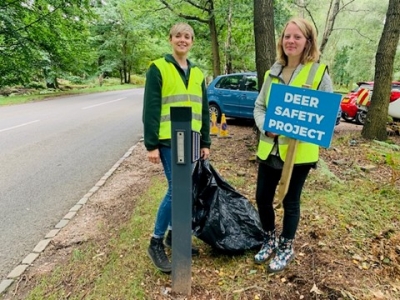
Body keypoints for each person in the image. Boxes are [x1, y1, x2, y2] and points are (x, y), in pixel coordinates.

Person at [253, 17, 334, 273]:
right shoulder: (272, 71)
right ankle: (269, 239)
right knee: (262, 198)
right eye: (287, 36)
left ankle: (286, 247)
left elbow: (328, 116)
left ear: (308, 41)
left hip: (299, 154)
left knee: (290, 201)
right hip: (270, 148)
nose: (291, 41)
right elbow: (259, 106)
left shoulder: (319, 72)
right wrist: (266, 125)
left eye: (297, 37)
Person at [142, 22, 211, 273]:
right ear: (170, 39)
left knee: (186, 189)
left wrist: (205, 141)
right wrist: (151, 144)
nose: (183, 40)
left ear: (192, 42)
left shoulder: (197, 73)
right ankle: (156, 241)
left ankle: (173, 236)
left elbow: (203, 109)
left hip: (191, 139)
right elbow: (150, 107)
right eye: (178, 36)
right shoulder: (158, 68)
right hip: (168, 140)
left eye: (187, 37)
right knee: (177, 190)